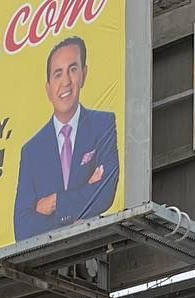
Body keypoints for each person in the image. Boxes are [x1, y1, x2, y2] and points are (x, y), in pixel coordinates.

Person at [12, 37, 119, 243]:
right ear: (48, 88)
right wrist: (81, 200)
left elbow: (104, 193)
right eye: (58, 74)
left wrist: (55, 202)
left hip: (97, 245)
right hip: (49, 256)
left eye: (73, 69)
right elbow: (22, 228)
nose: (66, 82)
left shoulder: (103, 124)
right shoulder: (32, 150)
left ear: (84, 74)